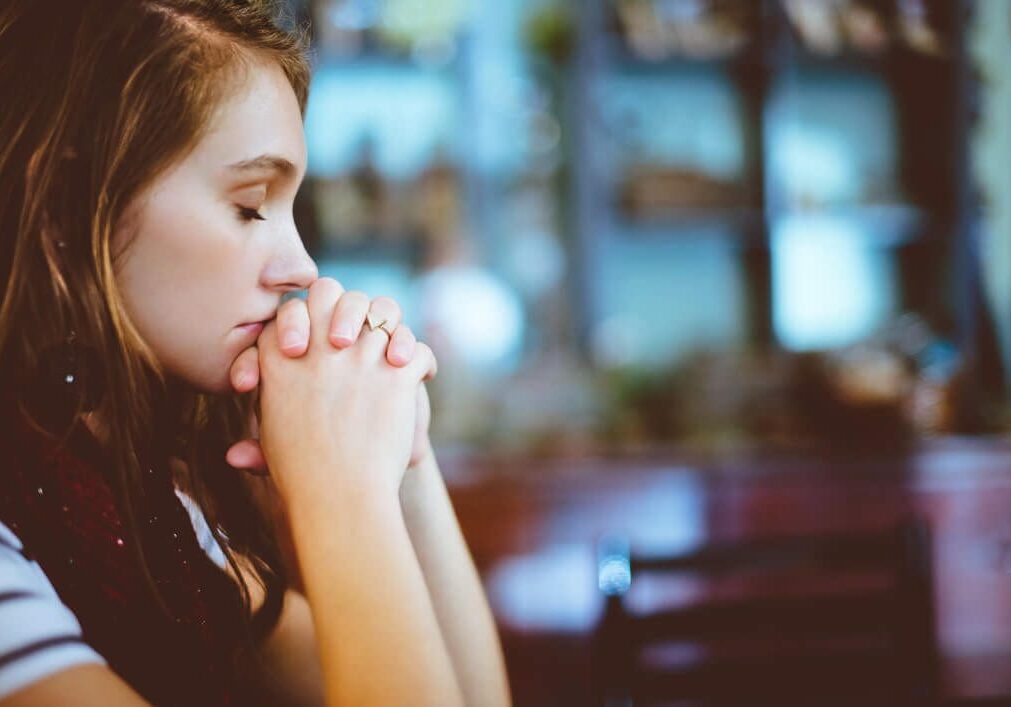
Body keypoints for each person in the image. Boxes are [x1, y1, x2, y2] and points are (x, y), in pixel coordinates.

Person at [0, 1, 511, 705]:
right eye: (249, 204)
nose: (303, 267)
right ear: (65, 204)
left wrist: (401, 462)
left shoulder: (140, 503)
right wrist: (342, 495)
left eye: (294, 209)